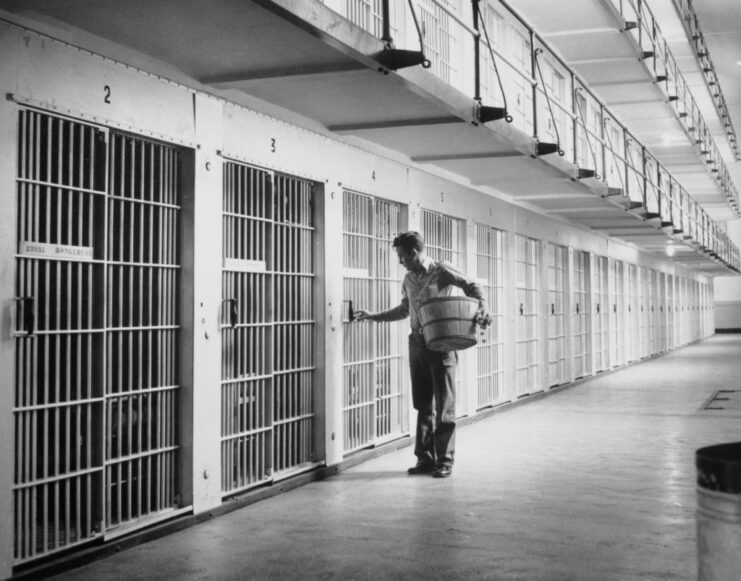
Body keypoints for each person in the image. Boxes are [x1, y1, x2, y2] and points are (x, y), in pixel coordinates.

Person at [354, 231, 490, 478]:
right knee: (423, 403)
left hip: (441, 341)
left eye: (402, 256)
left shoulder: (441, 270)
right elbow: (405, 309)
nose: (400, 261)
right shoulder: (408, 279)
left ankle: (445, 461)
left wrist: (482, 305)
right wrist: (374, 316)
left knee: (445, 403)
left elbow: (472, 286)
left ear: (414, 253)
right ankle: (425, 459)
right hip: (417, 341)